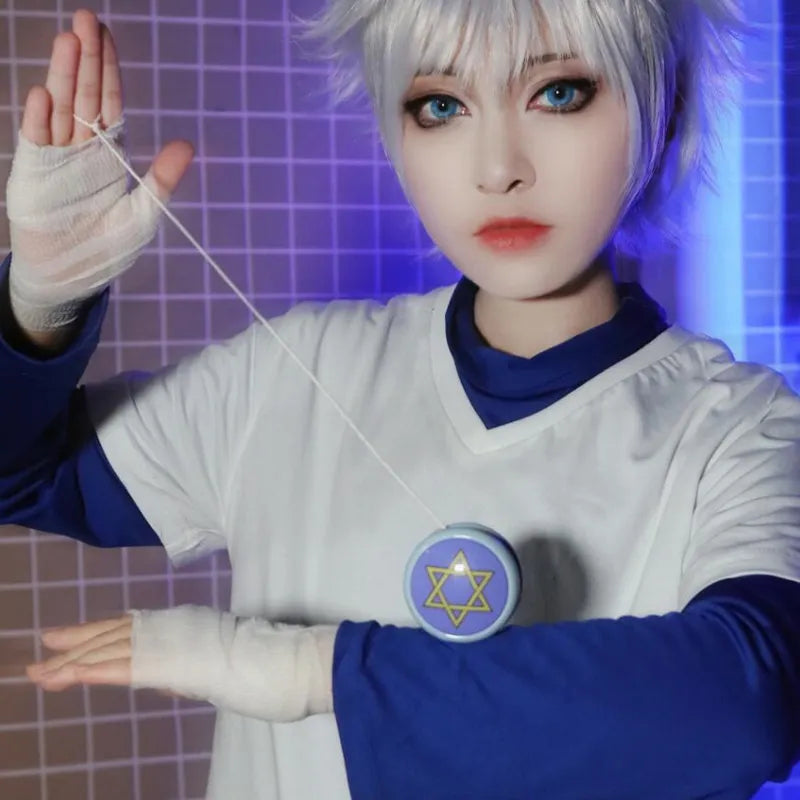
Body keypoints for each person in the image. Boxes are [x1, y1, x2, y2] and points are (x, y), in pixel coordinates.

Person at [4, 1, 800, 798]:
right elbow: (24, 475)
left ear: (667, 106)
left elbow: (747, 709)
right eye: (441, 106)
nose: (497, 168)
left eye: (559, 93)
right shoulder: (291, 373)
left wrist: (303, 669)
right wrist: (42, 304)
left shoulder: (744, 428)